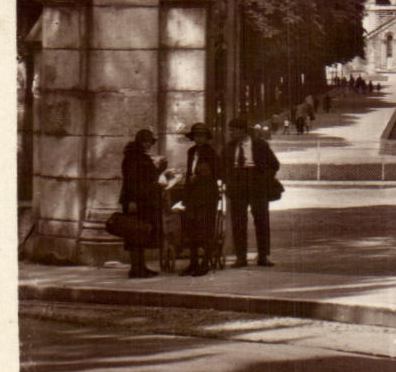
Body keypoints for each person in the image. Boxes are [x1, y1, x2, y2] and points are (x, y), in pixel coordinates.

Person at [223, 118, 281, 268]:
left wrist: (262, 178)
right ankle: (240, 258)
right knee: (238, 223)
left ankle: (263, 257)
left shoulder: (260, 145)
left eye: (234, 130)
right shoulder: (229, 147)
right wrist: (228, 181)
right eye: (230, 130)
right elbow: (221, 166)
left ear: (242, 130)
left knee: (262, 221)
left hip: (257, 186)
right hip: (237, 187)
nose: (231, 133)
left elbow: (274, 164)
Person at [118, 128, 166, 278]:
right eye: (146, 142)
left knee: (141, 234)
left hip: (144, 201)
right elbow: (131, 181)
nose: (148, 145)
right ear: (139, 141)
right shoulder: (133, 157)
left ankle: (141, 266)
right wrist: (132, 201)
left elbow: (149, 177)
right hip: (137, 202)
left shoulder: (140, 156)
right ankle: (136, 268)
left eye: (150, 142)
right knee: (135, 234)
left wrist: (160, 169)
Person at [176, 122, 220, 276]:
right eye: (196, 136)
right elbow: (189, 173)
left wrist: (201, 176)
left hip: (207, 195)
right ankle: (193, 262)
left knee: (206, 229)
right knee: (192, 229)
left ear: (206, 138)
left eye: (202, 136)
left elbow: (216, 173)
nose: (199, 139)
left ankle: (205, 263)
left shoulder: (211, 153)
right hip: (193, 196)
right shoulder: (191, 151)